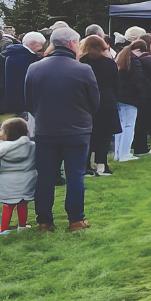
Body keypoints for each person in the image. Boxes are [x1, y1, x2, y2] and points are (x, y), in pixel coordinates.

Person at [25, 27, 99, 232]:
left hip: (45, 130)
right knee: (75, 175)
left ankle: (44, 221)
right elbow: (94, 102)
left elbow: (29, 102)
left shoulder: (34, 68)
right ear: (73, 43)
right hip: (77, 130)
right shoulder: (83, 70)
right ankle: (76, 219)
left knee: (45, 176)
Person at [78, 35, 121, 175]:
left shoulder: (81, 63)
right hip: (107, 101)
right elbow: (116, 84)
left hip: (87, 102)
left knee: (89, 134)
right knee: (105, 135)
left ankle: (85, 165)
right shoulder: (109, 63)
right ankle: (102, 165)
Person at [0, 116, 36, 234]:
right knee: (22, 202)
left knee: (8, 204)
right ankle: (22, 226)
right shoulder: (31, 146)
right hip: (27, 179)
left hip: (6, 181)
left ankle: (3, 229)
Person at [114, 40, 147, 163]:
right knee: (129, 126)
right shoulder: (135, 61)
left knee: (121, 125)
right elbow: (138, 81)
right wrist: (142, 97)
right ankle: (125, 153)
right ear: (138, 51)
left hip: (120, 97)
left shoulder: (122, 59)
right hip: (131, 98)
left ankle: (117, 153)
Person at [1, 32, 45, 125]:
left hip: (15, 96)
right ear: (36, 44)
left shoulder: (16, 54)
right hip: (23, 98)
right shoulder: (24, 58)